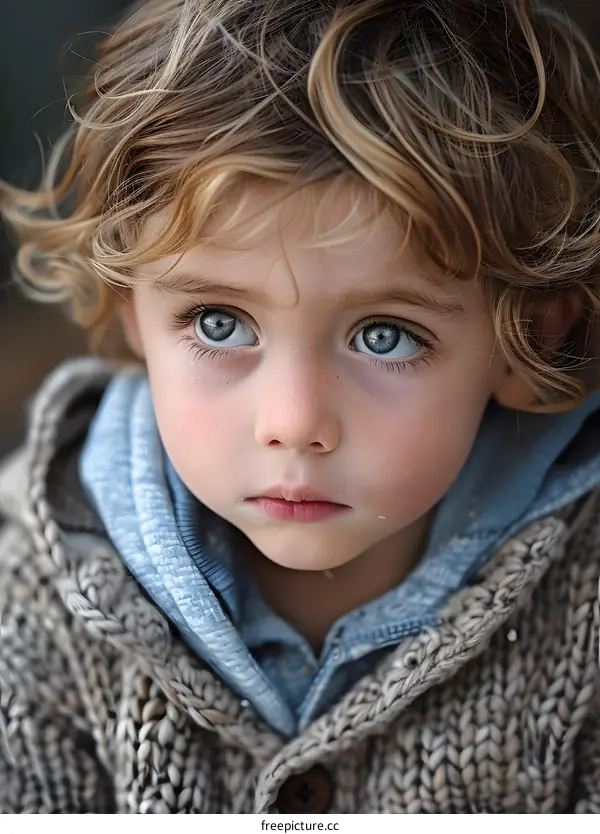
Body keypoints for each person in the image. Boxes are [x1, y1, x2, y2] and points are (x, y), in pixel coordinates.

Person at [0, 0, 599, 814]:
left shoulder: (584, 604)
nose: (295, 421)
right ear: (130, 307)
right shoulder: (29, 597)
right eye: (220, 322)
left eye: (385, 336)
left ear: (525, 335)